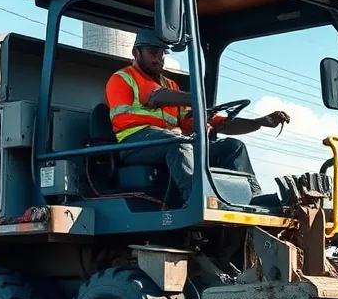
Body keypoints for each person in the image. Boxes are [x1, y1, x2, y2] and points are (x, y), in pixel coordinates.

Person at [104, 28, 289, 205]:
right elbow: (155, 96)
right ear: (136, 52)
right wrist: (195, 98)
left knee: (233, 147)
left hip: (168, 141)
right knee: (179, 144)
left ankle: (252, 197)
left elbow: (199, 121)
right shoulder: (122, 78)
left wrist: (259, 122)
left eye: (162, 53)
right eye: (153, 52)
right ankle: (196, 199)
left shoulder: (170, 85)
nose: (158, 59)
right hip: (134, 144)